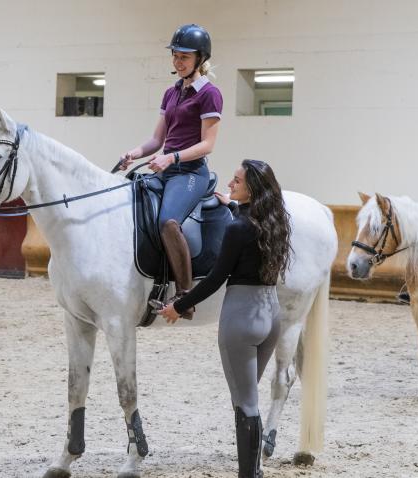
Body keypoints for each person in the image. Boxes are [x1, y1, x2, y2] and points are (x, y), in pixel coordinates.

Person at [159, 160, 291, 478]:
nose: (230, 184)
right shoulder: (277, 222)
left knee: (245, 402)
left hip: (241, 319)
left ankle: (250, 474)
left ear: (253, 189)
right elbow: (248, 226)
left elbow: (216, 277)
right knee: (248, 396)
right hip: (271, 315)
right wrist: (231, 204)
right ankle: (254, 469)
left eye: (236, 181)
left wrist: (180, 305)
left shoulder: (236, 229)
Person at [119, 24, 222, 319]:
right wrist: (134, 153)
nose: (178, 63)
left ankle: (185, 296)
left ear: (200, 59)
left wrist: (171, 158)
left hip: (191, 172)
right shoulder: (171, 93)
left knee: (167, 221)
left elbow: (207, 145)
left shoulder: (210, 94)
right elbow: (157, 140)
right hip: (167, 168)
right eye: (175, 56)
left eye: (184, 58)